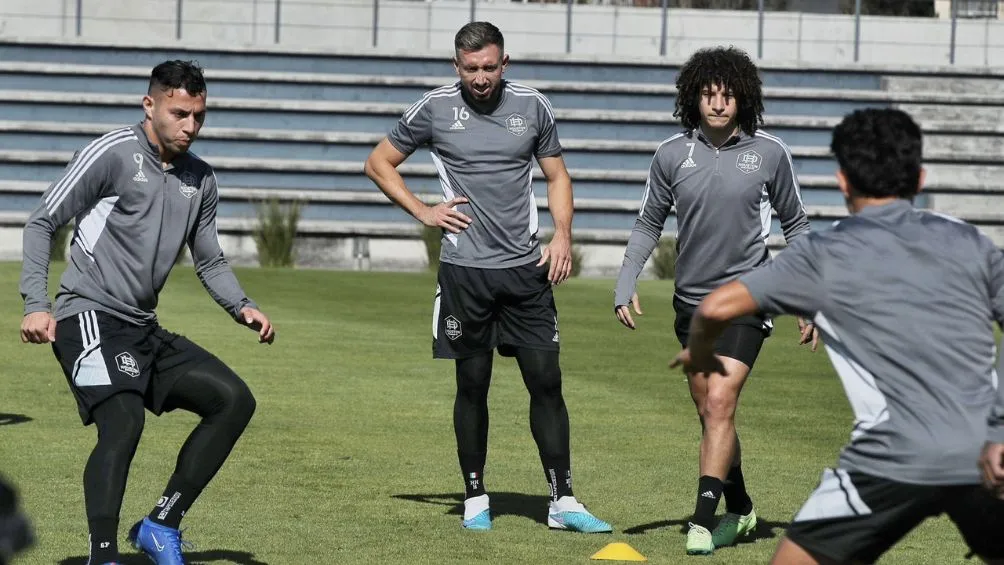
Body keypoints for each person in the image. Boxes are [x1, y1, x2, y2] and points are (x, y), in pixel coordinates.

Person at [670, 107, 1004, 565]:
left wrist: (701, 348)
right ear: (921, 179)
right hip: (984, 453)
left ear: (843, 181)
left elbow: (714, 306)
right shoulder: (972, 243)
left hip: (887, 459)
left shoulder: (823, 254)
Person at [18, 60, 274, 565]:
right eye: (180, 114)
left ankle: (161, 525)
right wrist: (36, 305)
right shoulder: (112, 153)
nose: (190, 126)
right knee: (123, 421)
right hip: (86, 316)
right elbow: (42, 221)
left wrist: (241, 305)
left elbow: (209, 259)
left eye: (199, 116)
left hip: (142, 328)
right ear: (149, 105)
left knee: (233, 401)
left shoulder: (200, 178)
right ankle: (104, 555)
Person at [364, 21, 611, 534]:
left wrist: (563, 236)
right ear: (456, 66)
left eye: (490, 67)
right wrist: (424, 211)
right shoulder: (434, 108)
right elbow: (379, 163)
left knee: (546, 382)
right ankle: (475, 496)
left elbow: (557, 175)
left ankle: (562, 500)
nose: (481, 77)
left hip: (525, 271)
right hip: (466, 273)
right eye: (471, 68)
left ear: (505, 63)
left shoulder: (533, 106)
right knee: (472, 385)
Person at [612, 45, 816, 555]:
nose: (719, 103)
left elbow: (797, 225)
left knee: (722, 401)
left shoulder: (770, 153)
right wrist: (627, 278)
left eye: (727, 95)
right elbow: (648, 222)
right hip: (691, 307)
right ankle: (741, 508)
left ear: (743, 99)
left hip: (748, 298)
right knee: (711, 412)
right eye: (709, 94)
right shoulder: (670, 154)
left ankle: (703, 521)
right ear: (694, 98)